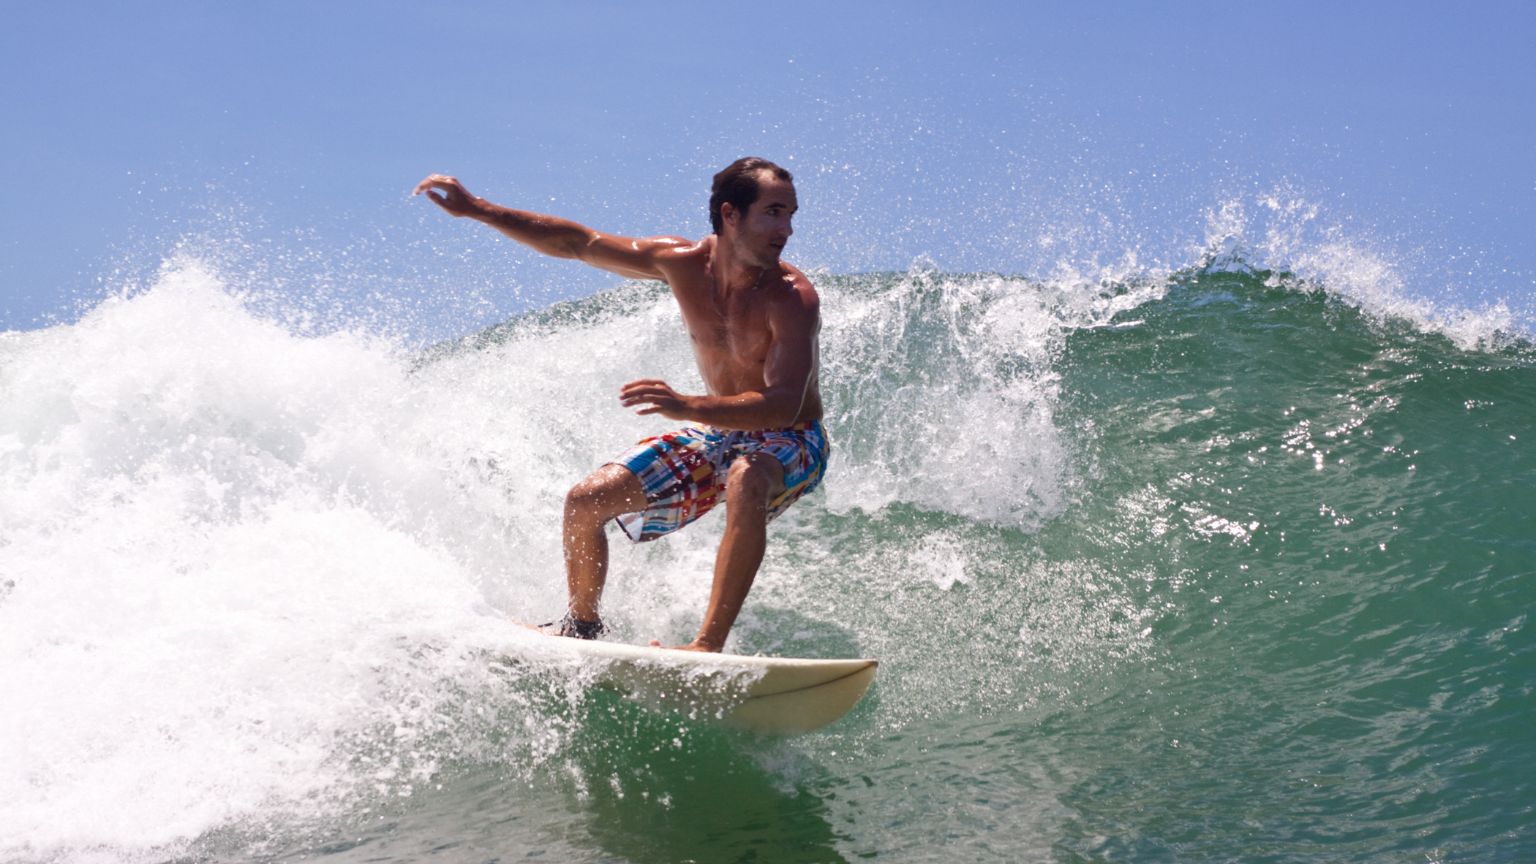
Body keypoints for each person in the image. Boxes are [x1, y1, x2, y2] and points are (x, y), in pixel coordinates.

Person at [413, 158, 827, 652]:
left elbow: (783, 404)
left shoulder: (792, 298)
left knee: (747, 477)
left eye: (791, 214)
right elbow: (579, 244)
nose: (787, 229)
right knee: (586, 501)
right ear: (730, 214)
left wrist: (688, 405)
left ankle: (707, 645)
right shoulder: (681, 262)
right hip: (720, 432)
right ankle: (581, 626)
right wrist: (479, 210)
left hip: (792, 438)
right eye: (774, 213)